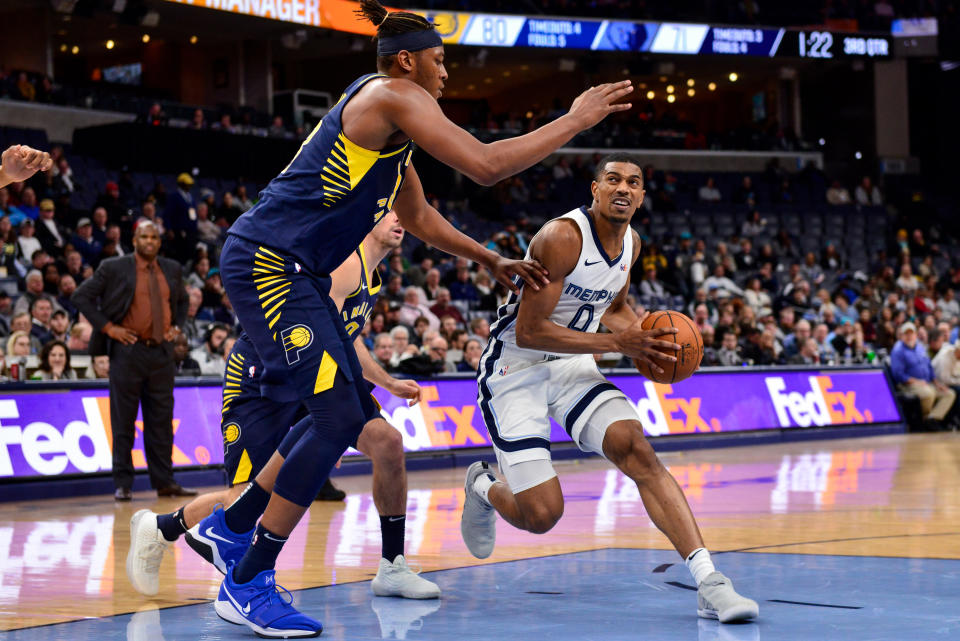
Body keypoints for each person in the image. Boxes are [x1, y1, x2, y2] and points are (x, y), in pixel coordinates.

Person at [198, 0, 630, 634]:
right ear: (407, 61)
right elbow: (486, 165)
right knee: (339, 420)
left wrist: (488, 259)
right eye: (440, 59)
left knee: (343, 413)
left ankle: (232, 526)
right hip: (269, 264)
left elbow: (421, 219)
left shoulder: (391, 134)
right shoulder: (393, 96)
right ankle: (246, 576)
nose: (447, 72)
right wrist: (573, 119)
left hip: (301, 274)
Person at [461, 153, 758, 625]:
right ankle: (481, 484)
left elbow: (614, 305)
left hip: (573, 364)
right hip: (515, 370)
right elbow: (530, 330)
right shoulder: (561, 238)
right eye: (613, 180)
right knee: (541, 515)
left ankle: (710, 582)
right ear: (595, 190)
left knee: (637, 449)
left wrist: (648, 341)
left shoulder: (632, 245)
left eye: (633, 182)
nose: (623, 188)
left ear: (641, 196)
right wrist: (617, 342)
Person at [128, 213, 439, 604]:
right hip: (262, 378)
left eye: (401, 211)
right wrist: (324, 427)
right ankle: (162, 528)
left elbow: (345, 339)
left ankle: (393, 565)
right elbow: (313, 339)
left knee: (388, 443)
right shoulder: (344, 263)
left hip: (312, 379)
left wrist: (386, 383)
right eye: (389, 211)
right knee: (243, 499)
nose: (399, 217)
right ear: (368, 220)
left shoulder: (371, 277)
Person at [72, 221, 196, 501]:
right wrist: (109, 328)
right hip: (127, 352)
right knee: (123, 420)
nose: (150, 241)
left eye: (154, 237)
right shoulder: (113, 267)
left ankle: (165, 482)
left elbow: (183, 301)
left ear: (159, 241)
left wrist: (178, 326)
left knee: (161, 422)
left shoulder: (172, 268)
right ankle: (123, 484)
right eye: (144, 237)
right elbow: (81, 296)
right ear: (135, 239)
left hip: (161, 353)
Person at [890, 322, 955, 426]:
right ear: (902, 336)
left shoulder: (920, 347)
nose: (909, 336)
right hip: (908, 385)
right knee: (928, 393)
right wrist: (917, 381)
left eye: (911, 333)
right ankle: (924, 420)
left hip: (927, 382)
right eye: (906, 334)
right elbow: (898, 375)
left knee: (949, 394)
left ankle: (933, 418)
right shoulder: (898, 351)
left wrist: (937, 383)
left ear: (916, 335)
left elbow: (929, 366)